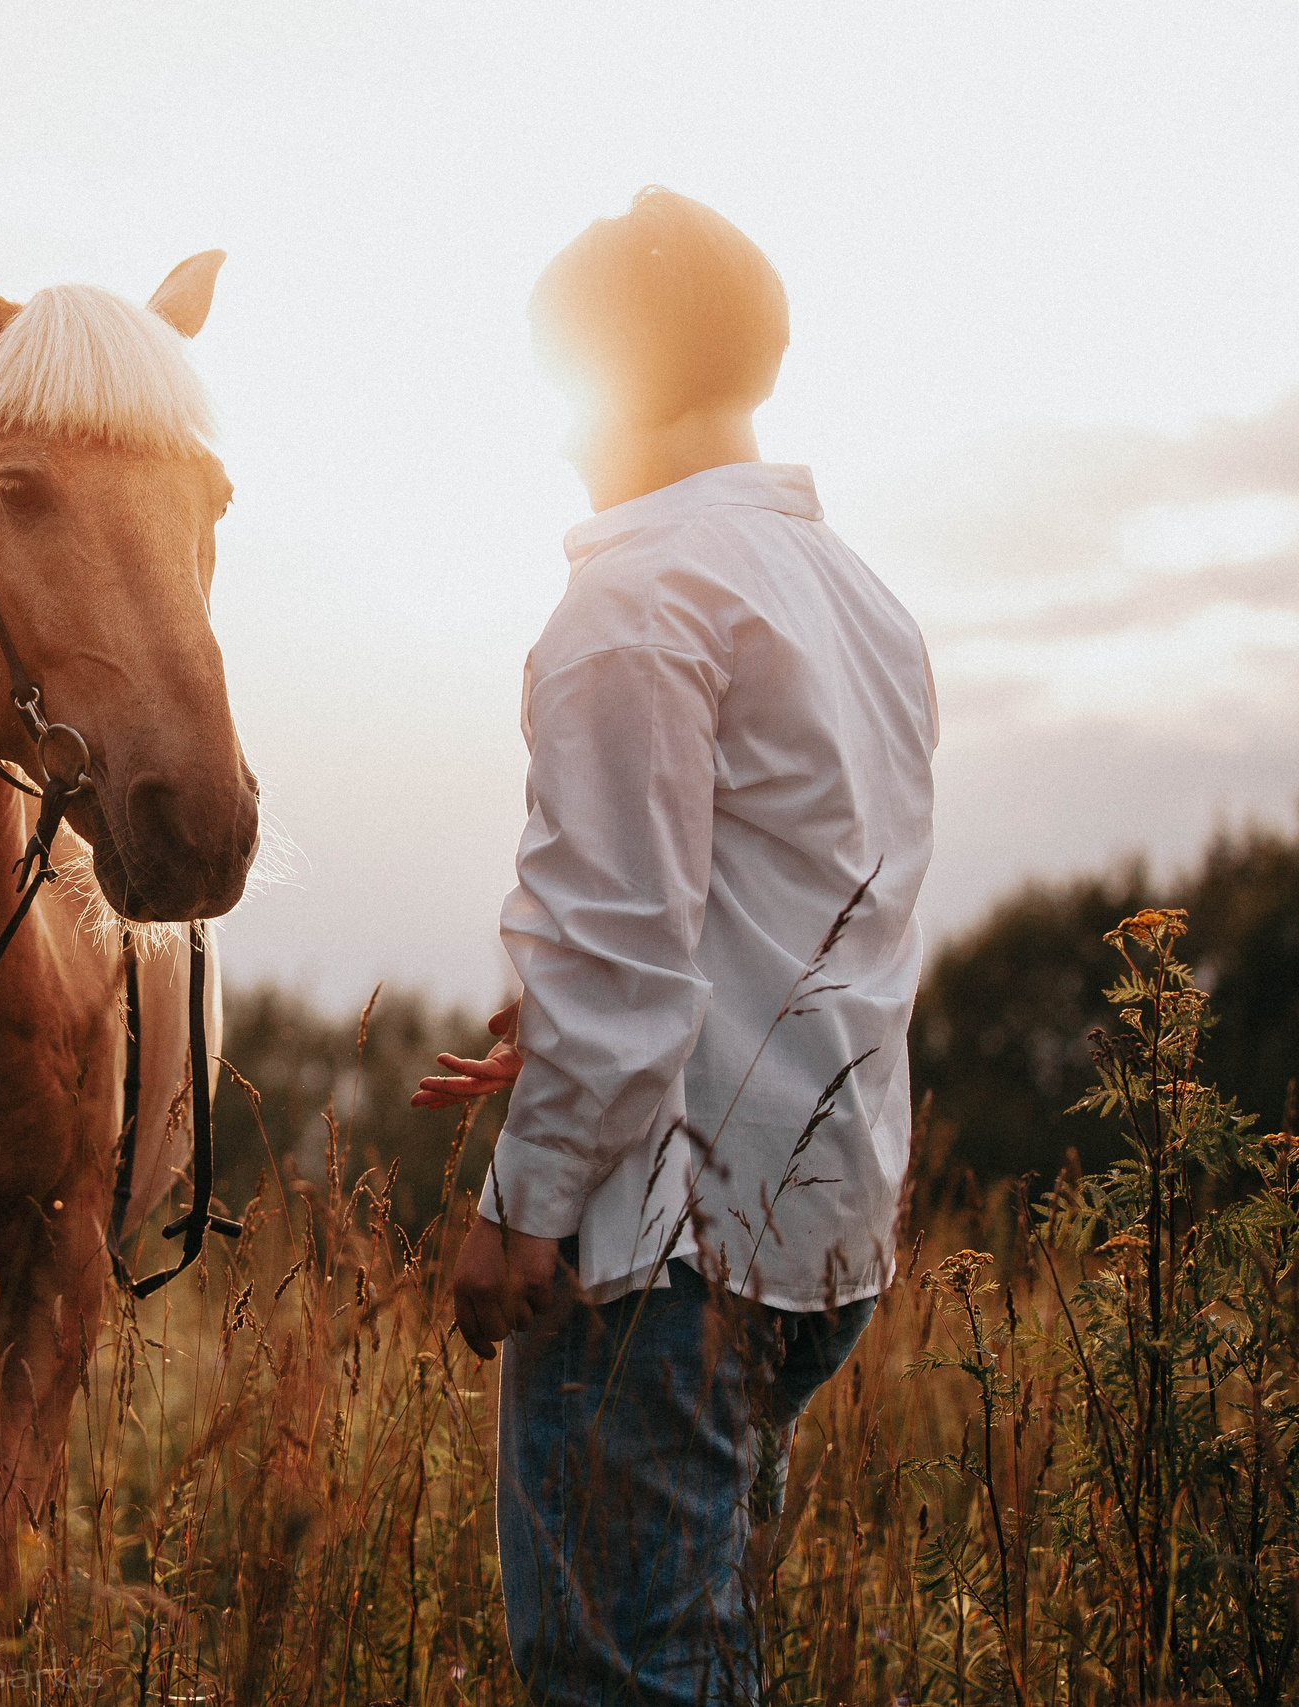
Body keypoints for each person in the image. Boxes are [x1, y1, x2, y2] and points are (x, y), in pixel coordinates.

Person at [413, 187, 938, 1703]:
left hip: (663, 1246)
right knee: (702, 1644)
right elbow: (795, 895)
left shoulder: (633, 602)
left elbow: (622, 949)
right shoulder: (860, 599)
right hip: (820, 1225)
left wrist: (523, 1203)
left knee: (620, 1672)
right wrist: (564, 1042)